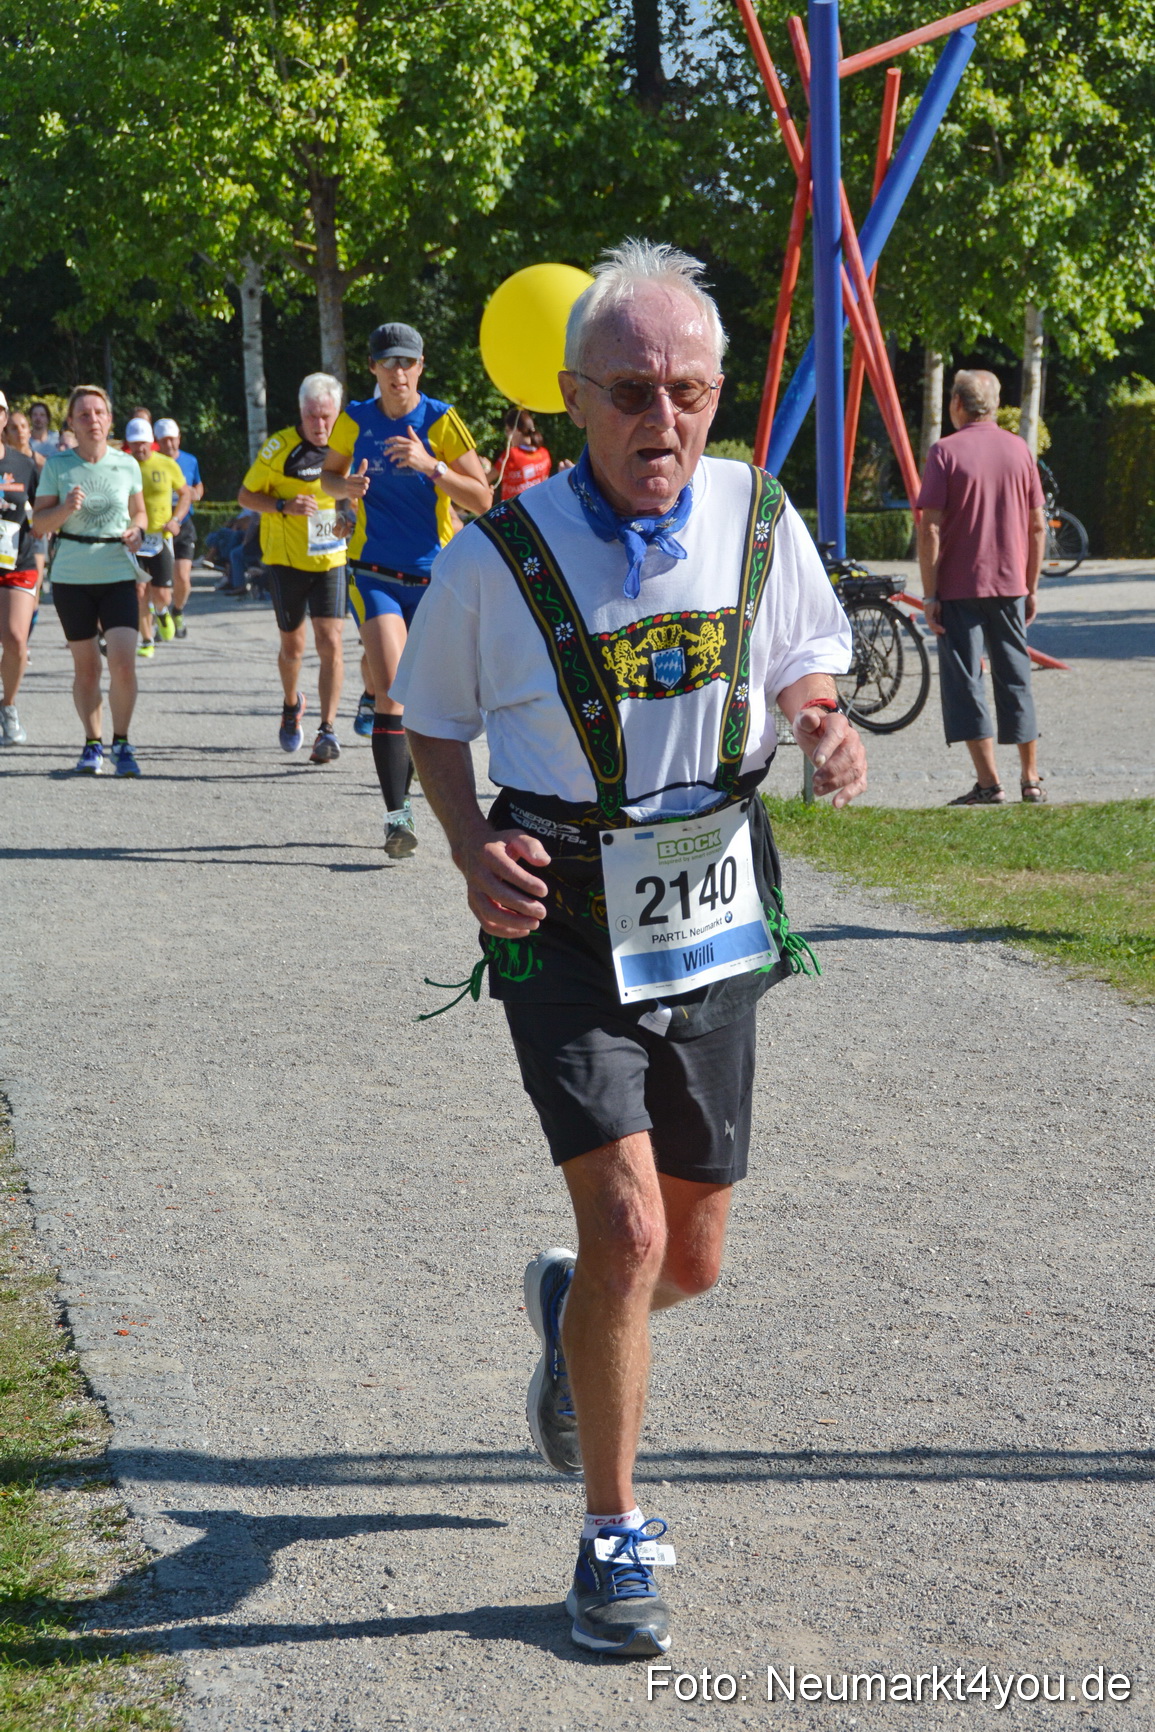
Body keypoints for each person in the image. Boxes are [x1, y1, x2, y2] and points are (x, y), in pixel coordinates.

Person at [393, 241, 865, 1656]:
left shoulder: (756, 514)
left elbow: (799, 662)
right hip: (564, 910)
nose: (660, 419)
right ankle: (611, 1537)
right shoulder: (495, 556)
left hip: (716, 896)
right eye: (630, 390)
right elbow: (430, 713)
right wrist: (472, 845)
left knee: (692, 1256)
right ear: (571, 395)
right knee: (630, 1226)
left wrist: (825, 719)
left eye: (687, 389)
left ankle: (572, 1316)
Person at [321, 322, 492, 857]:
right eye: (389, 362)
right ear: (372, 368)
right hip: (373, 572)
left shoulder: (440, 419)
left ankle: (411, 764)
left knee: (431, 697)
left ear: (420, 367)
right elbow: (328, 476)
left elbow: (483, 499)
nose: (399, 372)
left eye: (408, 362)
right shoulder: (355, 421)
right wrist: (343, 489)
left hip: (436, 577)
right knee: (394, 688)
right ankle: (398, 819)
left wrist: (431, 465)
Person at [916, 369, 1048, 805]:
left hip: (958, 585)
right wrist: (1030, 586)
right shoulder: (1019, 451)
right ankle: (1031, 778)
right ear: (992, 405)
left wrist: (930, 594)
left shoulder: (944, 453)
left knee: (965, 681)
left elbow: (930, 527)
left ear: (956, 404)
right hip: (1010, 582)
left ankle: (989, 783)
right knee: (1017, 677)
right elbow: (1036, 526)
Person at [32, 385, 147, 775]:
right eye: (84, 415)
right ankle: (92, 744)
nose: (93, 420)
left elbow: (140, 514)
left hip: (116, 570)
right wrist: (65, 507)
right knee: (87, 669)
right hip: (72, 575)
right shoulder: (57, 467)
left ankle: (123, 743)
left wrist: (137, 532)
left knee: (123, 663)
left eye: (99, 413)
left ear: (110, 420)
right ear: (71, 423)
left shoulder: (127, 464)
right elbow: (38, 525)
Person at [238, 373, 349, 763]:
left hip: (331, 560)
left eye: (327, 416)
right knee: (293, 646)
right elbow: (246, 496)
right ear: (301, 412)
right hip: (286, 560)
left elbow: (360, 495)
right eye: (312, 416)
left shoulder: (348, 446)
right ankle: (291, 704)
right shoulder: (279, 447)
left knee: (331, 641)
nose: (320, 425)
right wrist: (284, 506)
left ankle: (328, 730)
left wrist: (348, 517)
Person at [123, 418, 192, 657]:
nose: (139, 449)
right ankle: (147, 639)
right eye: (134, 444)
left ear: (151, 442)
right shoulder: (123, 465)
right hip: (133, 537)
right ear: (128, 445)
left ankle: (162, 613)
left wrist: (176, 520)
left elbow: (185, 494)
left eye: (143, 444)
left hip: (160, 537)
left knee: (161, 594)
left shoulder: (166, 464)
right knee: (139, 590)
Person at [0, 391, 42, 745]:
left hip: (18, 561)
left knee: (16, 640)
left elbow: (41, 517)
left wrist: (42, 568)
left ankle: (8, 706)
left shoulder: (25, 464)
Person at [154, 418, 203, 637]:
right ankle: (160, 617)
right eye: (165, 441)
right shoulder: (151, 462)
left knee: (182, 577)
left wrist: (197, 493)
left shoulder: (190, 460)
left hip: (183, 525)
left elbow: (198, 484)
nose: (170, 445)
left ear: (179, 439)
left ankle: (178, 610)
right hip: (158, 526)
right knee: (158, 582)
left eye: (173, 440)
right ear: (157, 442)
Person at [489, 407, 552, 501]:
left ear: (517, 430)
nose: (507, 435)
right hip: (537, 506)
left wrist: (484, 466)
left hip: (514, 510)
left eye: (507, 431)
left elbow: (486, 479)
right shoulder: (544, 454)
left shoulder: (511, 455)